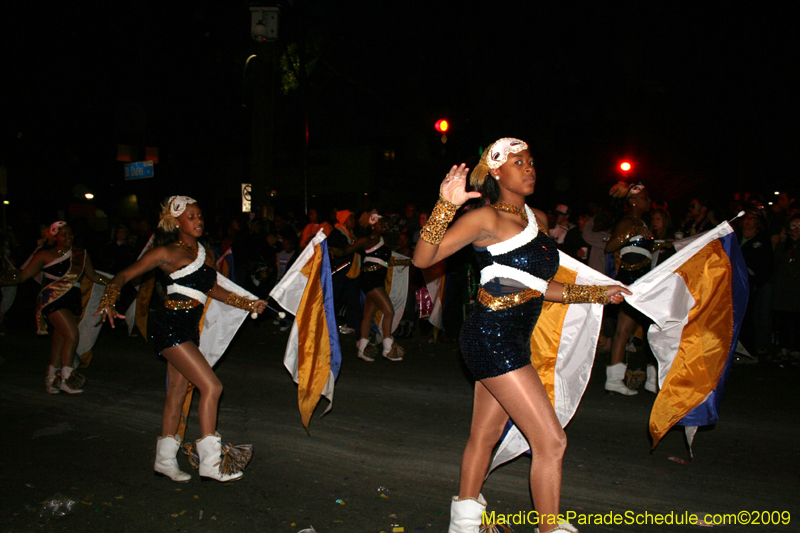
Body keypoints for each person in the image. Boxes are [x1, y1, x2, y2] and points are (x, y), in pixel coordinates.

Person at [413, 138, 629, 533]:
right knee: (552, 443)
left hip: (514, 340)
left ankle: (463, 523)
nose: (529, 168)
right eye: (518, 162)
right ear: (496, 171)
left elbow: (540, 286)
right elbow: (423, 259)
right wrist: (446, 204)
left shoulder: (538, 219)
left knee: (486, 434)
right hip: (490, 337)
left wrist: (599, 294)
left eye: (531, 161)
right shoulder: (484, 219)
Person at [95, 196, 267, 483]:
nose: (198, 220)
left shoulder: (204, 252)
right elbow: (124, 274)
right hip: (170, 327)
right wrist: (109, 300)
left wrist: (249, 304)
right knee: (212, 386)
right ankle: (211, 463)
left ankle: (164, 460)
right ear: (176, 222)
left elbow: (212, 289)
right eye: (191, 216)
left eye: (200, 215)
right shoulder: (166, 252)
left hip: (189, 329)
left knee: (176, 393)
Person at [0, 221, 110, 394]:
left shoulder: (82, 254)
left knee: (60, 341)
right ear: (54, 237)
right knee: (73, 336)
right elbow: (22, 276)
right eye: (63, 234)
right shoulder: (44, 255)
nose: (67, 237)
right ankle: (67, 378)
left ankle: (52, 379)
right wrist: (4, 277)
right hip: (52, 300)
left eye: (69, 233)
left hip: (73, 301)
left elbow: (94, 276)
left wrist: (116, 283)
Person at [604, 182, 655, 395]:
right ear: (633, 202)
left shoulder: (641, 222)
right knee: (625, 330)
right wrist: (629, 233)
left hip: (644, 279)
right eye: (644, 198)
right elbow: (610, 246)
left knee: (652, 329)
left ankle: (653, 378)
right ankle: (615, 380)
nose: (649, 201)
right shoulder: (627, 221)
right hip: (632, 279)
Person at [355, 211, 404, 361]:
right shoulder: (366, 240)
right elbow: (344, 251)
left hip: (377, 280)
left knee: (368, 315)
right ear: (372, 226)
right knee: (388, 310)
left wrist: (406, 262)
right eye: (381, 223)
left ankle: (362, 348)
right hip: (370, 280)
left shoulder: (382, 240)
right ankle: (388, 348)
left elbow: (385, 262)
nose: (384, 226)